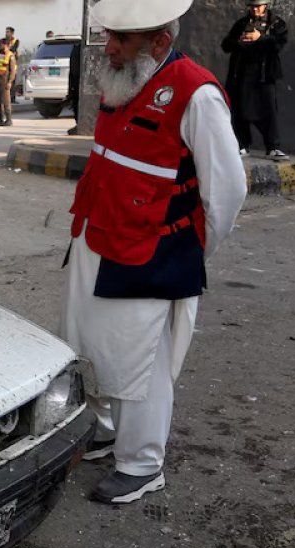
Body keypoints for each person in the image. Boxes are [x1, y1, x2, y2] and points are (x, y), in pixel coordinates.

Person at [62, 0, 247, 504]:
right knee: (89, 345)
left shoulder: (197, 93)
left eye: (122, 41)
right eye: (109, 38)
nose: (110, 49)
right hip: (96, 238)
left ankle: (142, 463)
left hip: (150, 252)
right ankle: (104, 430)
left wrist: (191, 249)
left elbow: (227, 192)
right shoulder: (122, 77)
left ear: (160, 42)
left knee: (136, 363)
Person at [221, 0, 288, 160]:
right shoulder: (242, 23)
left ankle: (273, 147)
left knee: (268, 109)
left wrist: (261, 37)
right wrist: (239, 42)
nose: (255, 9)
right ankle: (242, 144)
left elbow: (278, 45)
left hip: (264, 74)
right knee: (239, 108)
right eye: (252, 6)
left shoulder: (276, 23)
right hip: (242, 72)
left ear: (265, 5)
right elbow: (226, 45)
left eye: (258, 6)